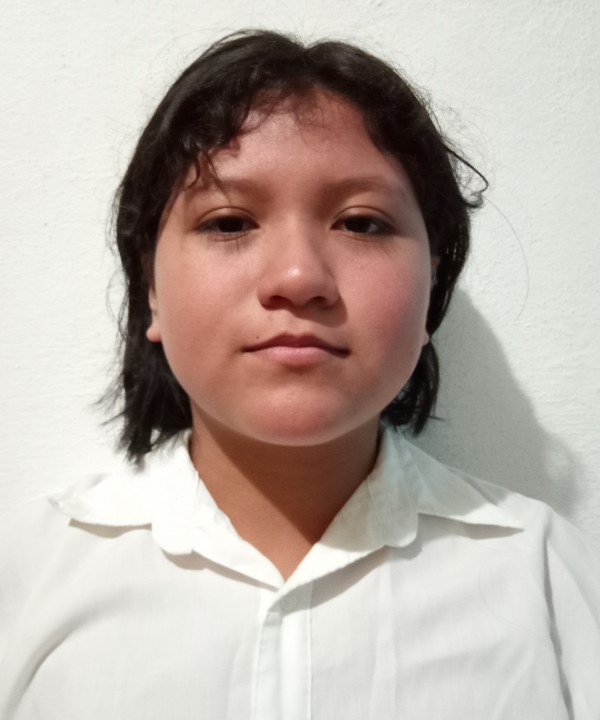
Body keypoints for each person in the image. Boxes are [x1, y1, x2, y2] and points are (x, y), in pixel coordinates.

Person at [1, 29, 598, 720]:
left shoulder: (547, 578)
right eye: (229, 222)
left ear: (432, 288)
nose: (297, 277)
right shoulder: (28, 577)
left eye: (362, 224)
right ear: (151, 291)